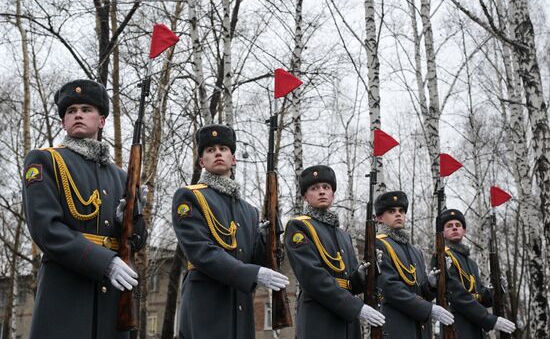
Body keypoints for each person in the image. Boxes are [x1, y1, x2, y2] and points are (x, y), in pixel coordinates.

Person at [22, 79, 147, 339]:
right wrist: (105, 262)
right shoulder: (46, 160)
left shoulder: (120, 176)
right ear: (63, 122)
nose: (78, 114)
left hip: (111, 299)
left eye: (86, 109)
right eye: (71, 110)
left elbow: (134, 241)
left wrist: (132, 221)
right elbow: (47, 229)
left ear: (101, 121)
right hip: (65, 294)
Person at [172, 124, 289, 339]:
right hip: (206, 306)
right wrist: (252, 273)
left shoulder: (249, 211)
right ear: (201, 162)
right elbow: (201, 252)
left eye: (224, 148)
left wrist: (269, 241)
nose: (217, 152)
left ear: (233, 159)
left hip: (240, 307)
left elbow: (255, 259)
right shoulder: (190, 197)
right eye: (210, 150)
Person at [284, 165, 385, 339]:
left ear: (333, 194)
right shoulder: (299, 226)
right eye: (314, 188)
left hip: (346, 322)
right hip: (319, 318)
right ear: (305, 197)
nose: (321, 192)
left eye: (326, 187)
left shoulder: (343, 235)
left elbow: (348, 283)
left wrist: (361, 276)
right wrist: (355, 307)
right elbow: (313, 277)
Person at [375, 191, 454, 338]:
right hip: (397, 325)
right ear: (380, 218)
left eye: (401, 211)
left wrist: (430, 285)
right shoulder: (379, 243)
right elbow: (390, 288)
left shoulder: (415, 251)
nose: (398, 214)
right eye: (392, 211)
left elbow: (420, 292)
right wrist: (428, 309)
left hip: (421, 328)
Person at [436, 209, 516, 338]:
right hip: (457, 326)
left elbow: (477, 295)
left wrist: (495, 290)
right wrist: (489, 319)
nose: (454, 228)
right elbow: (457, 295)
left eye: (458, 225)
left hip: (476, 326)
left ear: (464, 230)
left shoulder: (470, 262)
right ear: (443, 233)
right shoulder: (443, 256)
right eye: (449, 226)